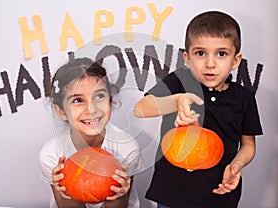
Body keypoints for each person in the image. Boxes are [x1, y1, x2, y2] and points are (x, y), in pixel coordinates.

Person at [134, 11, 263, 208]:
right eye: (200, 53)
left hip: (219, 195)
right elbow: (141, 109)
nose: (210, 63)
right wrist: (176, 101)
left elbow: (248, 145)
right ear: (187, 57)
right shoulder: (179, 81)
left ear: (236, 60)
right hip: (172, 194)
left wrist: (237, 165)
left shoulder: (243, 98)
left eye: (221, 54)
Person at [39, 57, 143, 208]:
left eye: (99, 96)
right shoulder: (51, 154)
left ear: (110, 101)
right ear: (61, 111)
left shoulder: (127, 148)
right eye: (78, 100)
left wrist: (119, 194)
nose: (91, 109)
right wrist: (63, 188)